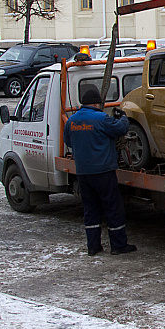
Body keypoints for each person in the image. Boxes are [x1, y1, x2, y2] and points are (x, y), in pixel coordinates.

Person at [63, 88, 136, 256]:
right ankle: (118, 245)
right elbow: (120, 129)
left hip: (83, 173)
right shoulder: (102, 118)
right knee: (112, 207)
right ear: (96, 103)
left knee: (90, 209)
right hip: (103, 171)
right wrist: (123, 117)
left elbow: (69, 141)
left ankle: (93, 246)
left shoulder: (71, 121)